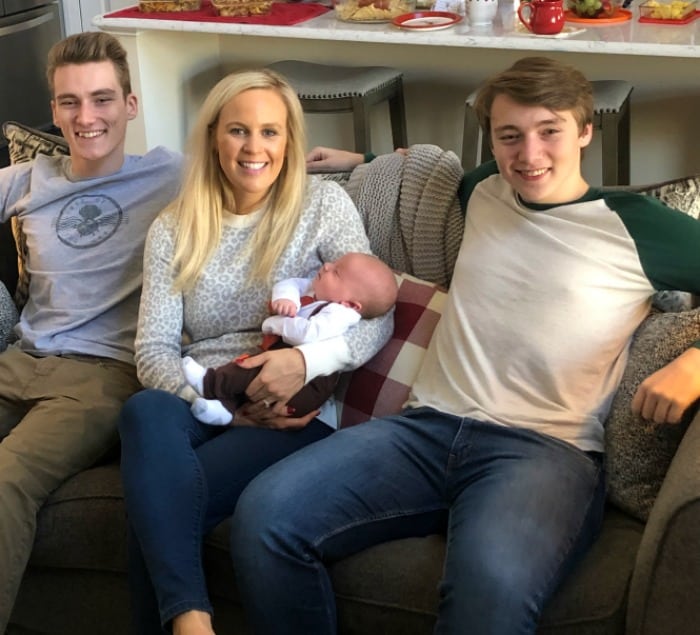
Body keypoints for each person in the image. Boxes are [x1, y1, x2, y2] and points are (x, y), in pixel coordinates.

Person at [228, 56, 700, 635]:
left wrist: (697, 362)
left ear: (584, 130)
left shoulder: (638, 224)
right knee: (264, 516)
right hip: (422, 429)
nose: (529, 155)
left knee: (489, 590)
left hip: (545, 451)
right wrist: (362, 162)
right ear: (493, 143)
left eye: (549, 131)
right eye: (510, 137)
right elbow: (415, 173)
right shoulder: (484, 191)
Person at [117, 68, 393, 635]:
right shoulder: (175, 226)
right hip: (205, 389)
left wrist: (304, 363)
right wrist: (212, 402)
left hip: (292, 411)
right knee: (143, 410)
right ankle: (193, 619)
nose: (254, 148)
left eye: (270, 132)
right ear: (214, 135)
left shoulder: (324, 205)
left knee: (158, 506)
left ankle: (186, 623)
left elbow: (376, 318)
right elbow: (154, 350)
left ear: (289, 139)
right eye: (238, 130)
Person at [0, 32, 182, 631]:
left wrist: (357, 162)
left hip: (102, 377)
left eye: (102, 99)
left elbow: (267, 164)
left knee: (8, 477)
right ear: (52, 110)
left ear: (130, 106)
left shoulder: (173, 176)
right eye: (70, 102)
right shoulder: (29, 179)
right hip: (20, 361)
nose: (87, 117)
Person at [183, 252, 398, 425]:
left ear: (351, 304)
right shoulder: (321, 293)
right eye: (333, 264)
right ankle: (225, 411)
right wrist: (286, 298)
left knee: (246, 371)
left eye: (337, 272)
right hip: (269, 367)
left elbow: (307, 334)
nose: (326, 266)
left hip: (307, 389)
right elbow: (293, 284)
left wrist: (275, 325)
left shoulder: (341, 315)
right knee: (155, 405)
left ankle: (210, 383)